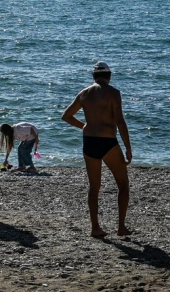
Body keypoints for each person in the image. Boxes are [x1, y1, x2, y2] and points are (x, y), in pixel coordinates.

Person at [62, 61, 133, 237]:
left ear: (94, 76)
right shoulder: (113, 93)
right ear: (109, 76)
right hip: (108, 142)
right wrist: (128, 147)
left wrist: (85, 126)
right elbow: (120, 121)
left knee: (94, 187)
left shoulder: (84, 93)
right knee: (123, 185)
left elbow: (67, 116)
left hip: (89, 141)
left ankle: (95, 228)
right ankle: (121, 227)